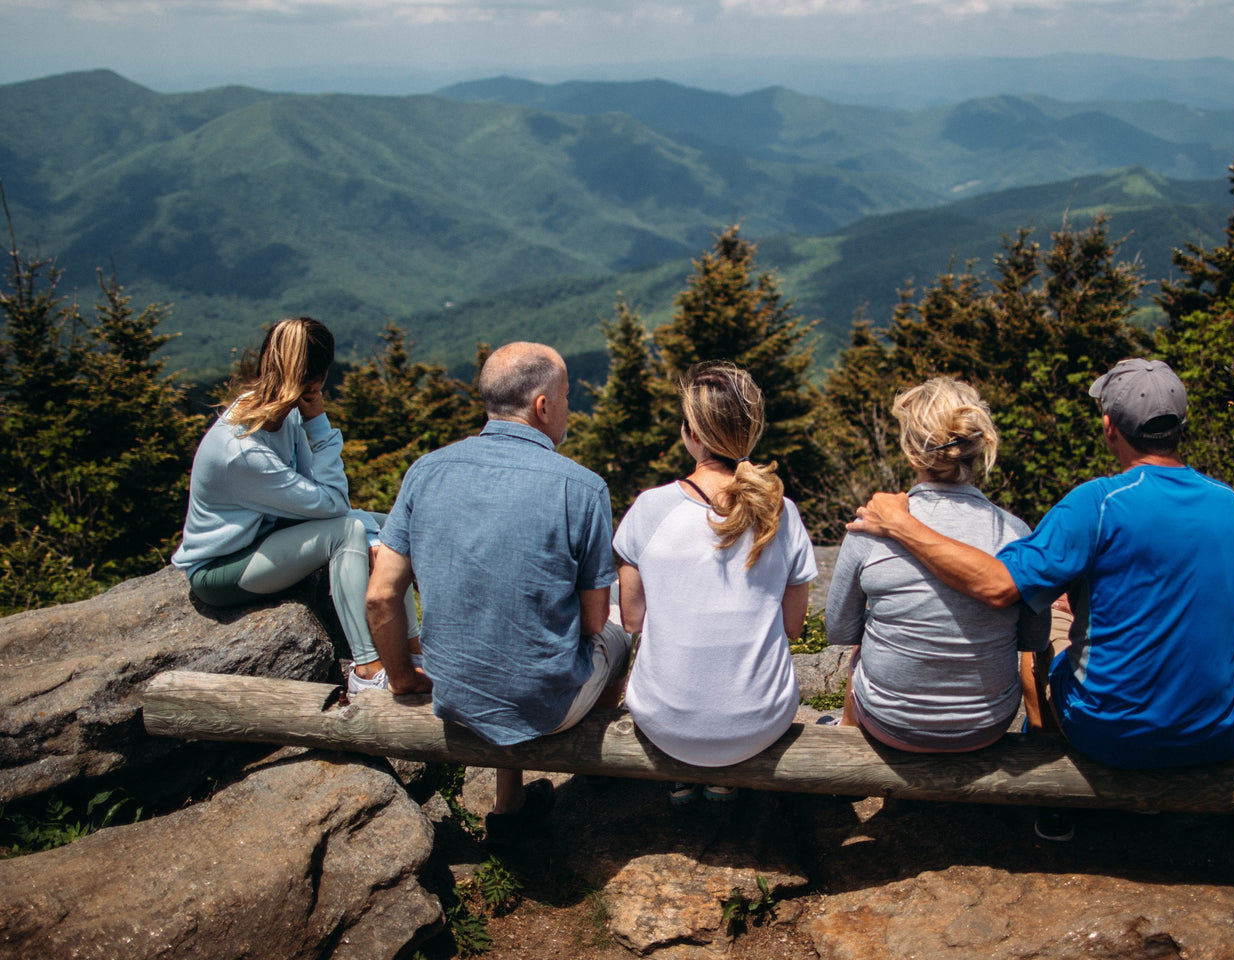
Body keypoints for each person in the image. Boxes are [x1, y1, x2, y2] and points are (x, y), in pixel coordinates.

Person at [848, 358, 1234, 840]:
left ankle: (1053, 797)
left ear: (1109, 428)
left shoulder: (1097, 502)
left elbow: (1000, 585)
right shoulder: (1227, 502)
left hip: (1110, 733)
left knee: (1046, 626)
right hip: (1214, 734)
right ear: (1179, 426)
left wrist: (901, 524)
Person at [366, 342, 630, 840]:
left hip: (455, 694)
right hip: (548, 708)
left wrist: (402, 677)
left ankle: (510, 800)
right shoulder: (583, 487)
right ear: (543, 406)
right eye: (567, 396)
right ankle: (597, 769)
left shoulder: (426, 471)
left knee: (500, 619)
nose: (569, 408)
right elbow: (594, 623)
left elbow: (380, 596)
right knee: (619, 639)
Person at [174, 316, 418, 694]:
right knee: (348, 532)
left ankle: (412, 651)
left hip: (264, 538)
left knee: (391, 526)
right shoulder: (244, 451)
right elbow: (335, 505)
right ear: (316, 381)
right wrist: (319, 424)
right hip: (220, 569)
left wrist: (377, 536)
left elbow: (321, 496)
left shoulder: (277, 415)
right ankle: (366, 670)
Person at [613, 362, 816, 805]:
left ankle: (683, 775)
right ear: (750, 434)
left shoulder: (650, 509)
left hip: (665, 722)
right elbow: (794, 626)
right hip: (760, 722)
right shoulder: (783, 512)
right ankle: (727, 778)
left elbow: (632, 620)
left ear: (692, 434)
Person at [825, 377, 1049, 752]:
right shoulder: (1015, 532)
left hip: (890, 724)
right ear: (976, 448)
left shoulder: (871, 527)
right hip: (987, 724)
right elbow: (1033, 638)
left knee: (862, 645)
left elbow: (840, 628)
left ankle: (846, 732)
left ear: (911, 453)